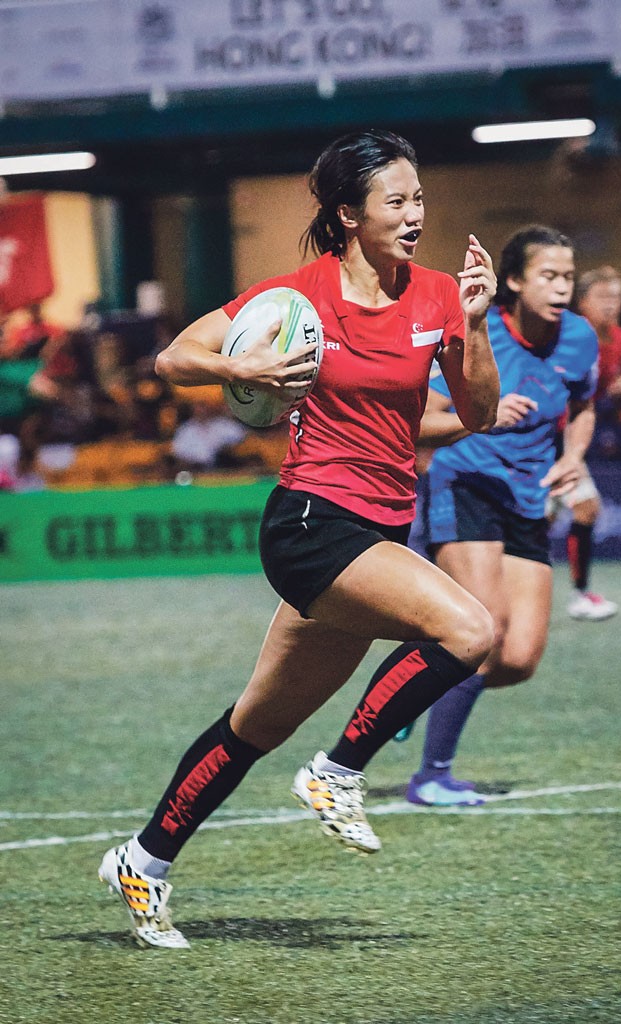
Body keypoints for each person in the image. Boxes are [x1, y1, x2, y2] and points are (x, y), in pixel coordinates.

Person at [98, 129, 500, 949]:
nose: (414, 213)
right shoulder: (296, 297)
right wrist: (237, 372)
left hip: (382, 526)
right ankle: (336, 772)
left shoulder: (434, 298)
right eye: (396, 200)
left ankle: (142, 859)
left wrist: (477, 324)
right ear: (348, 214)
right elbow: (177, 357)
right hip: (312, 522)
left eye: (419, 197)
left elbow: (479, 414)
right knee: (469, 630)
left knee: (254, 726)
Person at [401, 224, 599, 807]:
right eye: (549, 276)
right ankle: (431, 776)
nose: (562, 286)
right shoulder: (481, 333)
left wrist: (574, 456)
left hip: (527, 497)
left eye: (568, 276)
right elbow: (423, 410)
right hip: (465, 484)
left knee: (518, 658)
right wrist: (480, 410)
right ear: (513, 281)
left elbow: (585, 404)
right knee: (486, 635)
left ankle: (411, 690)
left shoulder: (580, 339)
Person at [547, 266, 621, 621]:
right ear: (583, 302)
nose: (611, 305)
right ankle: (578, 596)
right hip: (542, 437)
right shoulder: (565, 333)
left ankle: (576, 594)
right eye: (603, 297)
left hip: (573, 439)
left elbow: (605, 388)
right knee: (582, 509)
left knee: (545, 519)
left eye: (616, 297)